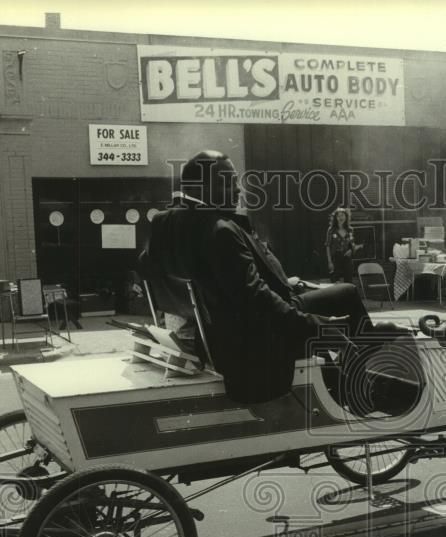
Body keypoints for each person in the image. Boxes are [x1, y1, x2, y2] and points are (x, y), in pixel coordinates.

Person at [144, 149, 414, 408]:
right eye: (228, 183)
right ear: (200, 187)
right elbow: (256, 302)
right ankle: (360, 379)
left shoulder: (164, 223)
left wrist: (278, 283)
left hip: (220, 333)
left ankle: (351, 368)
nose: (239, 190)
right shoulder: (219, 230)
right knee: (347, 293)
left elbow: (174, 270)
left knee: (336, 295)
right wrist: (318, 326)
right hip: (254, 342)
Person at [325, 208, 355, 284]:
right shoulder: (331, 230)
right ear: (335, 218)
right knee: (335, 281)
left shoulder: (350, 230)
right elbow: (327, 245)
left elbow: (352, 243)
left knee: (349, 282)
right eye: (339, 216)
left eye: (343, 215)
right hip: (335, 258)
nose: (341, 218)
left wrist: (351, 250)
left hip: (347, 258)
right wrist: (329, 262)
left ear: (346, 217)